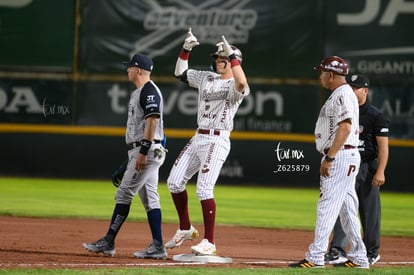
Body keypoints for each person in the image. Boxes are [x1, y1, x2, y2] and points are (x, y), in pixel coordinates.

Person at [164, 28, 250, 256]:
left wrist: (232, 56)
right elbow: (180, 74)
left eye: (222, 59)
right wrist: (185, 50)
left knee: (203, 189)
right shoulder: (206, 77)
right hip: (199, 136)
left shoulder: (234, 85)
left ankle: (209, 241)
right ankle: (185, 227)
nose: (217, 62)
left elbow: (241, 83)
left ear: (233, 62)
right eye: (217, 58)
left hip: (217, 139)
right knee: (173, 182)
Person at [82, 53, 168, 259]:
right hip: (145, 150)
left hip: (146, 150)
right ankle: (158, 246)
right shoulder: (139, 92)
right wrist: (131, 159)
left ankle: (109, 241)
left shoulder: (149, 91)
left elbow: (153, 122)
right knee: (150, 199)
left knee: (123, 195)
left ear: (138, 70)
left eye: (129, 68)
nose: (127, 70)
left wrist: (144, 151)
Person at [289, 56, 369, 268]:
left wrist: (331, 157)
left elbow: (345, 127)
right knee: (348, 208)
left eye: (322, 72)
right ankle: (360, 257)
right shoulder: (344, 93)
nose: (320, 76)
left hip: (340, 155)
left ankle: (315, 256)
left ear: (331, 75)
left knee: (327, 205)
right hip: (347, 154)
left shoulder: (342, 94)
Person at [325, 74, 389, 266]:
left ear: (366, 91)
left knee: (369, 212)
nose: (352, 91)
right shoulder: (344, 110)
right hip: (345, 163)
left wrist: (381, 171)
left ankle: (371, 251)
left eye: (357, 88)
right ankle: (337, 250)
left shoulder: (375, 115)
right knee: (342, 207)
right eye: (350, 87)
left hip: (367, 166)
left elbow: (383, 147)